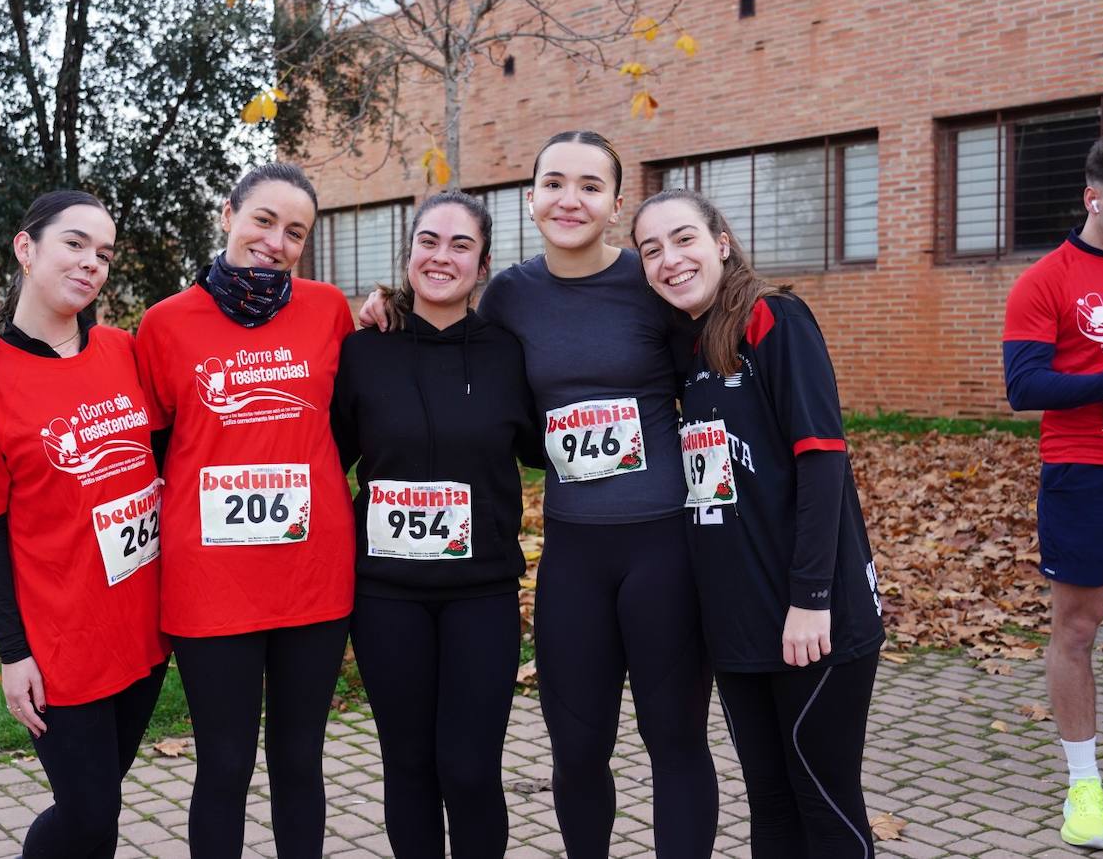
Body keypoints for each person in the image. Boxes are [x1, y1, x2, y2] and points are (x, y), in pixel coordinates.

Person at [362, 131, 718, 859]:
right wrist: (386, 306)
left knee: (673, 739)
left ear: (616, 204)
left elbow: (713, 390)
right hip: (572, 554)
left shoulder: (651, 282)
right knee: (578, 750)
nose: (570, 199)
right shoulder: (510, 296)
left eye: (590, 185)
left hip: (662, 548)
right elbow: (447, 331)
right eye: (554, 182)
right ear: (531, 199)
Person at [632, 188, 884, 858]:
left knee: (825, 806)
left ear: (721, 241)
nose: (669, 259)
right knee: (770, 807)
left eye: (683, 238)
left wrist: (811, 598)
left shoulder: (774, 318)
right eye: (651, 249)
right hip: (737, 622)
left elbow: (823, 462)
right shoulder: (683, 347)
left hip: (812, 618)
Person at [133, 162, 355, 859]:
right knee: (224, 766)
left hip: (311, 577)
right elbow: (160, 448)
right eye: (264, 220)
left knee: (300, 763)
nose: (276, 241)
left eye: (295, 232)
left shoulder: (329, 310)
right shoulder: (163, 325)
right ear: (228, 213)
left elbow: (343, 425)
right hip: (211, 584)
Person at [0, 190, 170, 859]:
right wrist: (13, 653)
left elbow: (172, 448)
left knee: (97, 805)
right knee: (91, 813)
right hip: (61, 641)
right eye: (75, 243)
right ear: (26, 247)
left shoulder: (125, 351)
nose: (92, 263)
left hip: (143, 627)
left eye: (104, 253)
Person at [331, 191, 542, 858]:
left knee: (472, 768)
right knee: (411, 766)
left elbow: (545, 448)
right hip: (386, 595)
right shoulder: (364, 351)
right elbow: (324, 456)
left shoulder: (510, 354)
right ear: (409, 251)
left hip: (480, 593)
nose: (441, 255)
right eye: (428, 241)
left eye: (460, 245)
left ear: (483, 265)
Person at [1004, 133, 1103, 850]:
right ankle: (1084, 785)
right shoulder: (1047, 278)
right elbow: (1024, 384)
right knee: (1078, 626)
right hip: (1084, 469)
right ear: (1093, 196)